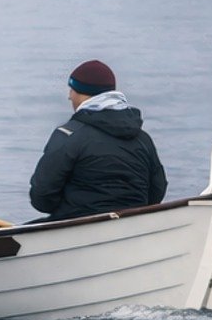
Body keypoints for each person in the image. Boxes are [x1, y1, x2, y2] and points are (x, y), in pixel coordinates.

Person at [27, 60, 167, 221]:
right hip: (133, 223)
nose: (69, 96)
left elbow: (41, 197)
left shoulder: (69, 135)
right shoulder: (142, 139)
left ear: (83, 93)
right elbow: (157, 191)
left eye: (72, 90)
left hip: (76, 225)